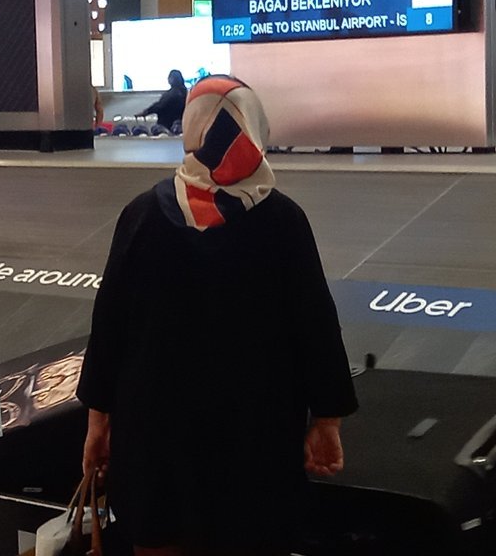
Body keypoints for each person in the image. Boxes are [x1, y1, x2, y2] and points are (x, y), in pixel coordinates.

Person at [78, 77, 358, 556]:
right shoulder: (283, 221)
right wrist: (326, 420)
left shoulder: (142, 217)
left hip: (156, 443)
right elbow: (315, 325)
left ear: (192, 131)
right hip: (255, 445)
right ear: (256, 129)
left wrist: (98, 421)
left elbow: (109, 328)